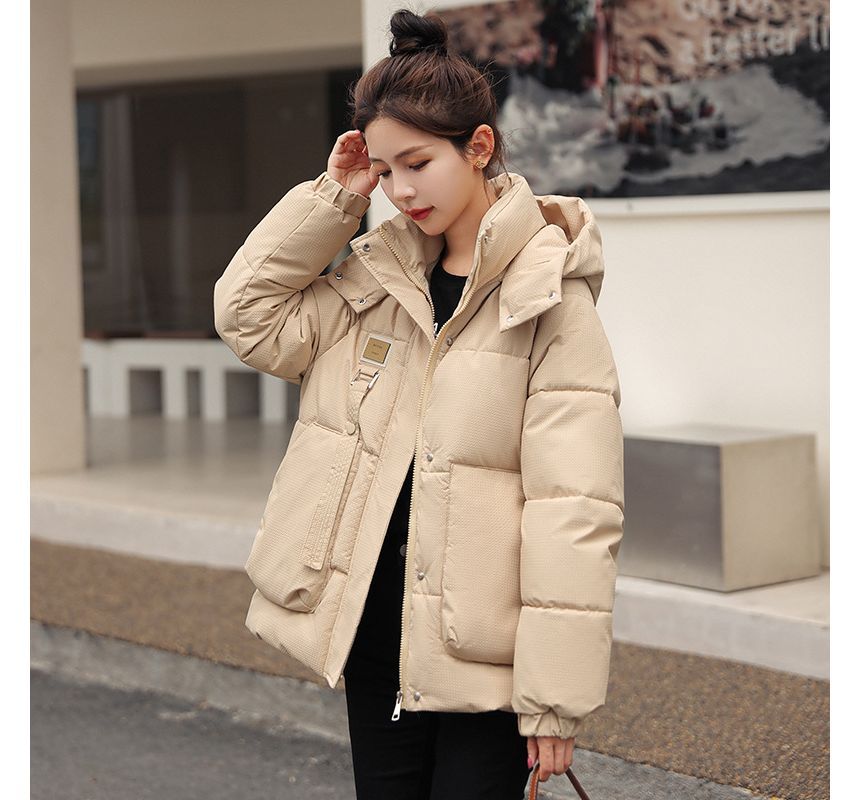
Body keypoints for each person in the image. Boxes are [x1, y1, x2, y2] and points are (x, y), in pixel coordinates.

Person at [213, 8, 624, 799]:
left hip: (483, 661)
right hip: (375, 634)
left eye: (418, 163)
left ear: (479, 147)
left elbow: (573, 510)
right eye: (384, 168)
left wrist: (554, 699)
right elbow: (249, 317)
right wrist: (335, 199)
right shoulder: (374, 282)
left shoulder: (548, 299)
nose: (400, 191)